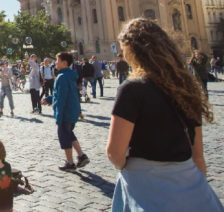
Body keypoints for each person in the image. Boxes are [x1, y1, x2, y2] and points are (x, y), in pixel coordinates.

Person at [108, 18, 223, 212]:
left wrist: (135, 168)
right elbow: (198, 156)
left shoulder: (132, 89)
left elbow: (114, 153)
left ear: (133, 50)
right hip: (190, 184)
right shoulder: (187, 88)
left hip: (146, 187)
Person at [42, 52, 90, 172]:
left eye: (57, 61)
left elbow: (61, 97)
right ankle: (81, 155)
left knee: (64, 136)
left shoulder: (62, 77)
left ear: (64, 63)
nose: (55, 63)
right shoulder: (70, 75)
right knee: (69, 133)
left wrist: (59, 115)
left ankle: (70, 163)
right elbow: (68, 94)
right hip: (72, 110)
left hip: (65, 111)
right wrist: (48, 99)